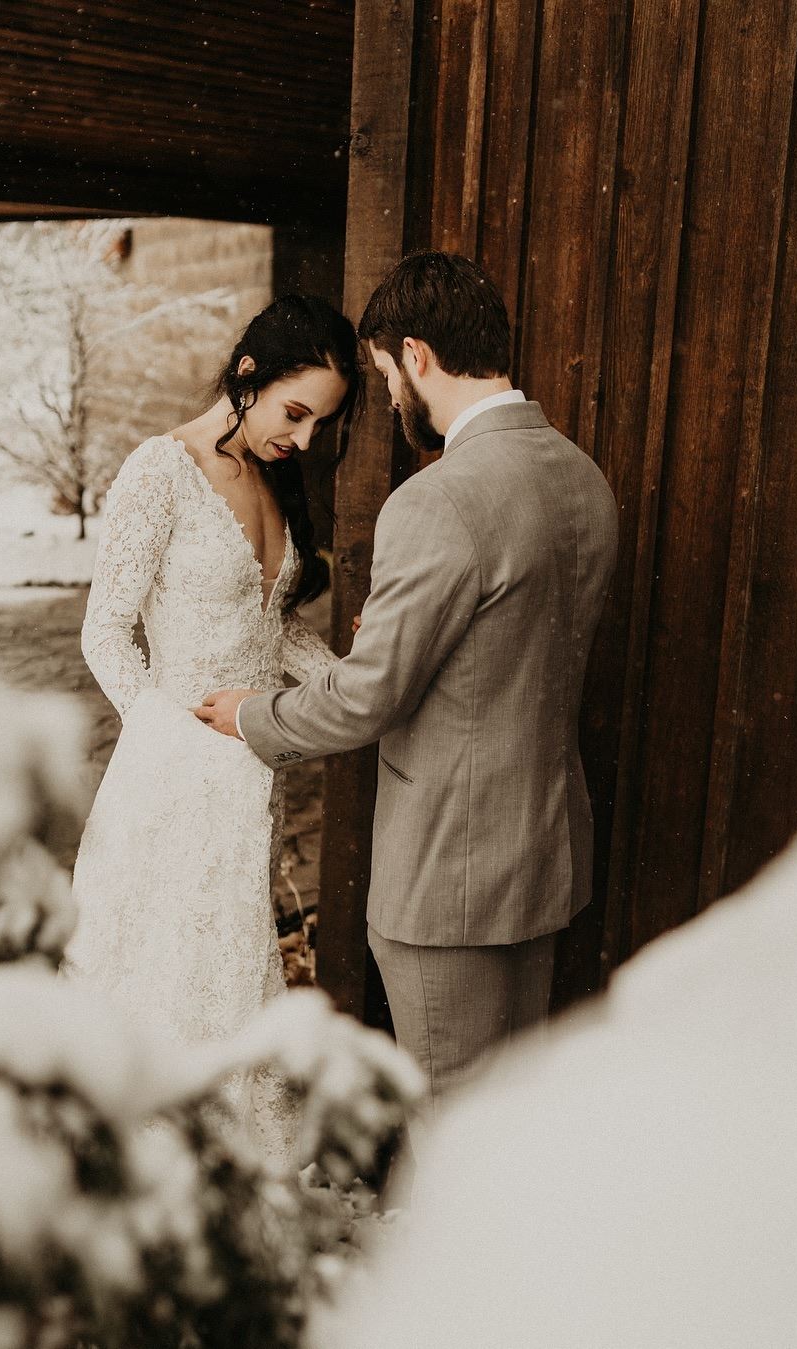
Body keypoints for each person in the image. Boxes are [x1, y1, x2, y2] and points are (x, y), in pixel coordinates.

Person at [197, 252, 619, 1118]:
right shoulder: (582, 480)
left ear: (416, 356)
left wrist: (250, 715)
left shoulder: (436, 502)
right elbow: (512, 649)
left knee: (453, 1129)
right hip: (544, 858)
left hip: (447, 878)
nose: (390, 398)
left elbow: (364, 702)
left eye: (387, 374)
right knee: (512, 1117)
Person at [66, 295, 360, 1167]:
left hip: (251, 783)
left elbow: (275, 631)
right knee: (162, 980)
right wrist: (169, 742)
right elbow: (104, 631)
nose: (304, 440)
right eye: (294, 413)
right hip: (170, 779)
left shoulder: (274, 477)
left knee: (231, 974)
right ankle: (155, 1173)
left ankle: (233, 1175)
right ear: (247, 376)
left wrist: (360, 688)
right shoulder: (160, 470)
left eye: (320, 423)